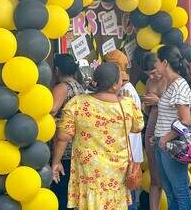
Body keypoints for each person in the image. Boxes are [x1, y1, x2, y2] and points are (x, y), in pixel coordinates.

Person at [52, 62, 144, 210]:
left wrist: (56, 162)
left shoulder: (77, 103)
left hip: (88, 170)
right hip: (117, 172)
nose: (123, 82)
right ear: (114, 85)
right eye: (121, 79)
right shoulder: (127, 105)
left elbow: (63, 137)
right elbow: (137, 127)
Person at [153, 45, 191, 210]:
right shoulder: (170, 84)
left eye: (156, 61)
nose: (154, 65)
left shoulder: (178, 84)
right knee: (170, 191)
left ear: (165, 62)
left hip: (172, 145)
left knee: (179, 191)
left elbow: (185, 120)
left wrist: (165, 137)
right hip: (163, 143)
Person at [105, 49, 143, 210]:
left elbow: (131, 124)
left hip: (127, 151)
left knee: (128, 194)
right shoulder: (126, 90)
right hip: (129, 150)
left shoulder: (126, 92)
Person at [50, 54, 84, 210]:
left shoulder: (62, 87)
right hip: (77, 145)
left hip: (63, 147)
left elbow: (51, 111)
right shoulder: (79, 86)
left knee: (61, 192)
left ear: (56, 70)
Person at [141, 53, 167, 210]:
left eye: (154, 71)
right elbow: (148, 111)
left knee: (170, 179)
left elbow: (182, 108)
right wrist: (146, 103)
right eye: (148, 74)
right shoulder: (150, 82)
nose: (152, 76)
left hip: (168, 131)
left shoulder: (172, 80)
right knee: (155, 179)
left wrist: (158, 101)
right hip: (152, 128)